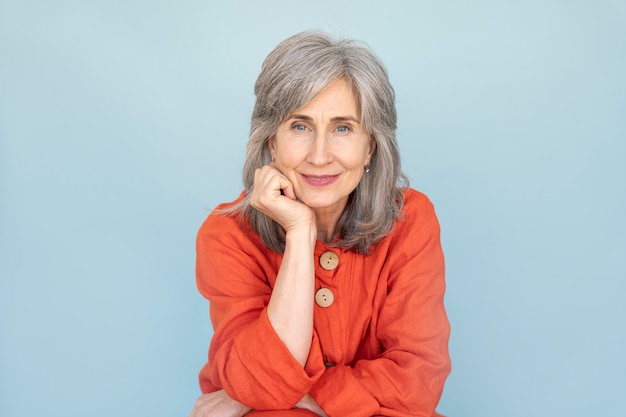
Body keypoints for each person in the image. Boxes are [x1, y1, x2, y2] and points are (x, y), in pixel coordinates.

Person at [189, 31, 451, 417]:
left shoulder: (410, 219)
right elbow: (257, 378)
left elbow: (416, 383)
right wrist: (299, 234)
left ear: (371, 147)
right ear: (272, 142)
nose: (319, 154)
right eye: (300, 126)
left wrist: (263, 395)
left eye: (343, 128)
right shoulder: (227, 235)